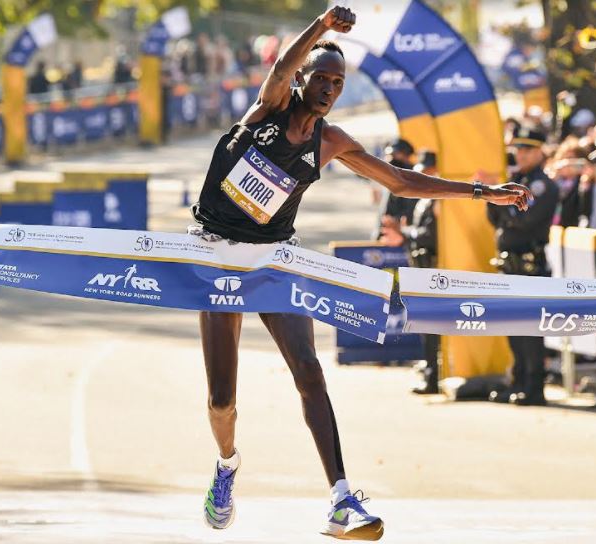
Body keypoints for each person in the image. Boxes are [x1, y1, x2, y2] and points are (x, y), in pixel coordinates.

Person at [190, 6, 530, 540]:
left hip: (275, 256)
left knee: (308, 369)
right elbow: (282, 63)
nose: (327, 88)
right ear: (301, 80)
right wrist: (322, 26)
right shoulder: (271, 107)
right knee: (221, 399)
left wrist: (482, 192)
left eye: (337, 82)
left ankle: (341, 499)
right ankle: (227, 464)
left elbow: (401, 182)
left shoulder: (331, 142)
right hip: (218, 254)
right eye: (320, 78)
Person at [486, 125, 558, 406]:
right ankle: (517, 381)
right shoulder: (515, 180)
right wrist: (494, 198)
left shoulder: (542, 184)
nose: (521, 154)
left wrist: (503, 205)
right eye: (518, 148)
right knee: (512, 325)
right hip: (509, 262)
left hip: (530, 263)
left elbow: (522, 219)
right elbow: (497, 218)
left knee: (530, 328)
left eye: (527, 149)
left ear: (541, 151)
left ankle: (534, 385)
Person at [379, 150, 441, 395]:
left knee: (432, 324)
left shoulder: (438, 200)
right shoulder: (425, 199)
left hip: (433, 268)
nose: (424, 174)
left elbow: (430, 235)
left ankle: (434, 375)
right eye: (422, 170)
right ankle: (430, 371)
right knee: (424, 323)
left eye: (429, 170)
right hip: (421, 266)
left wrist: (404, 233)